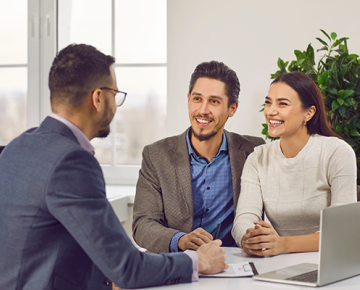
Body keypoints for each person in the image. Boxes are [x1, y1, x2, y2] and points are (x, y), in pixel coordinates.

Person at [0, 44, 228, 290]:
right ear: (98, 98)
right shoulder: (71, 162)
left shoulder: (19, 145)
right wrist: (198, 261)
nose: (116, 104)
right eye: (115, 94)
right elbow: (127, 268)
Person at [133, 61, 265, 253]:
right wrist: (180, 240)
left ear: (232, 108)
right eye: (197, 99)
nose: (203, 110)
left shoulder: (253, 150)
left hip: (233, 262)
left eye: (214, 101)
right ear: (188, 100)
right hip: (177, 263)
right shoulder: (156, 155)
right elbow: (142, 225)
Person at [232, 71, 357, 256]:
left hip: (330, 261)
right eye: (268, 102)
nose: (271, 111)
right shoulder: (257, 158)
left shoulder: (336, 152)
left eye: (282, 103)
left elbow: (342, 230)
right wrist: (249, 238)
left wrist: (283, 244)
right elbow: (244, 218)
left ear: (309, 113)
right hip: (277, 263)